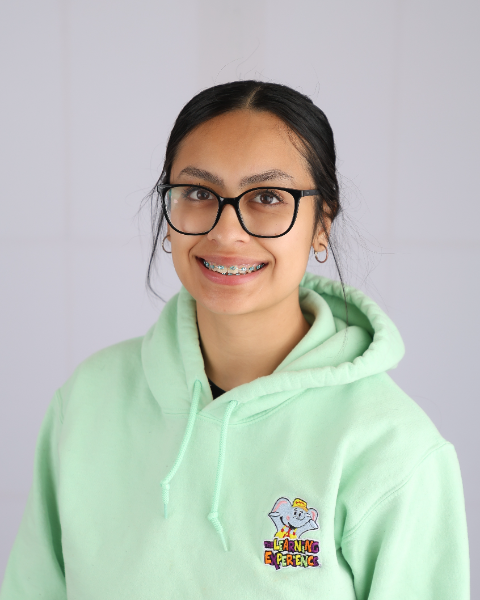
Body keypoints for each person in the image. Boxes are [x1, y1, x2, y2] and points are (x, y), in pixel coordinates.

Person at [0, 81, 470, 599]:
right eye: (199, 193)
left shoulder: (392, 447)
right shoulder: (87, 400)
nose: (226, 232)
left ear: (322, 224)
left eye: (268, 197)